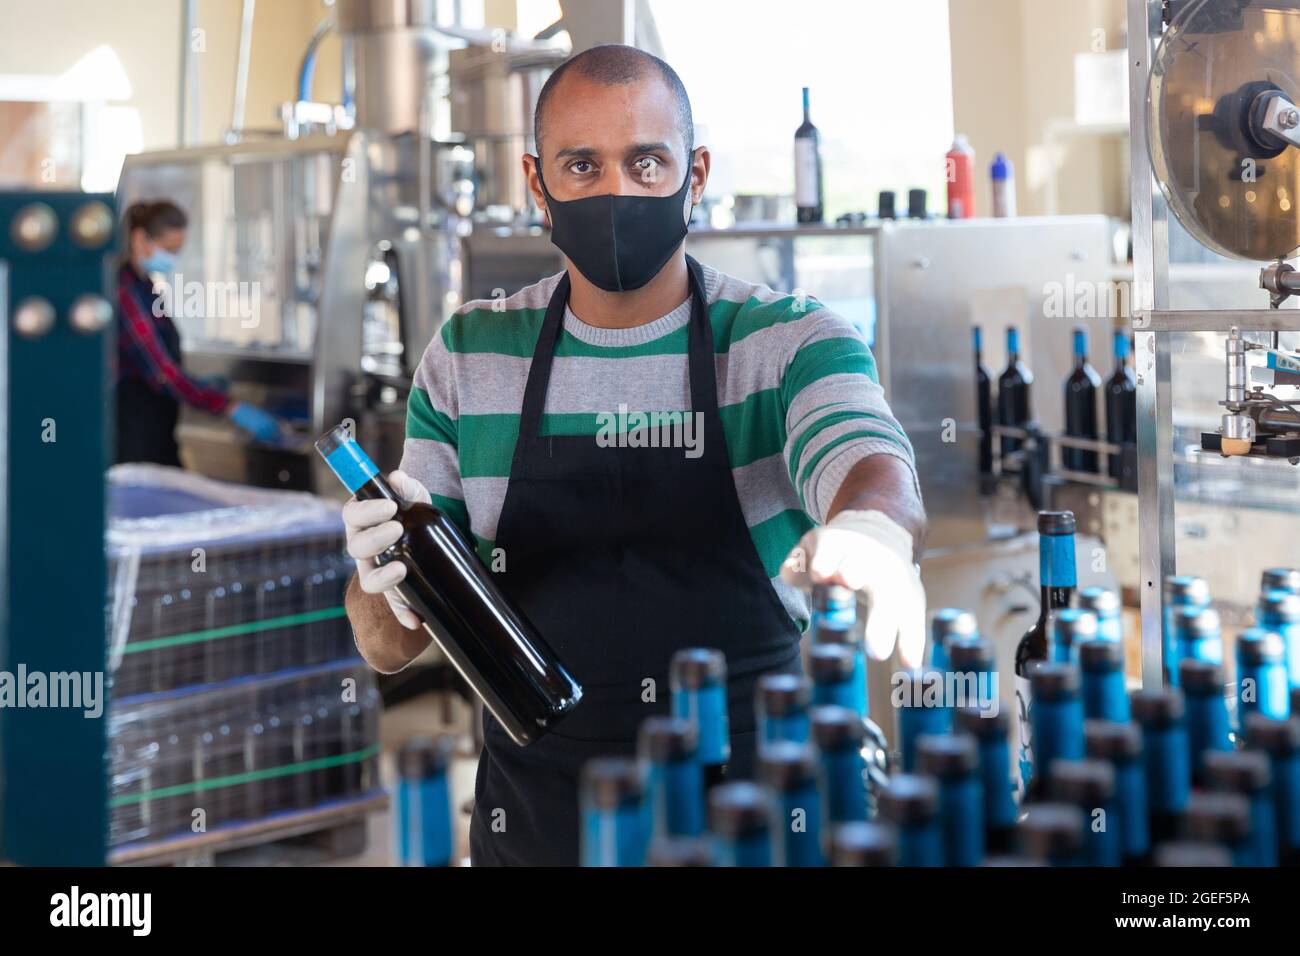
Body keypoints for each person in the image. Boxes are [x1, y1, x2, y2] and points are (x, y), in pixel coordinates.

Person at [343, 45, 927, 865]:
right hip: (539, 826)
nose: (618, 191)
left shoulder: (783, 341)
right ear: (537, 183)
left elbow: (867, 455)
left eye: (646, 163)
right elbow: (387, 647)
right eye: (582, 166)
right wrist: (384, 586)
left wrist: (875, 529)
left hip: (755, 819)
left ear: (695, 175)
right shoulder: (472, 356)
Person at [115, 200, 281, 466]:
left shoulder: (145, 287)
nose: (173, 258)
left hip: (157, 431)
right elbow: (162, 374)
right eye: (168, 249)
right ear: (139, 238)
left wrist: (202, 384)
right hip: (132, 436)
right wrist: (228, 406)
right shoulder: (122, 291)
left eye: (178, 250)